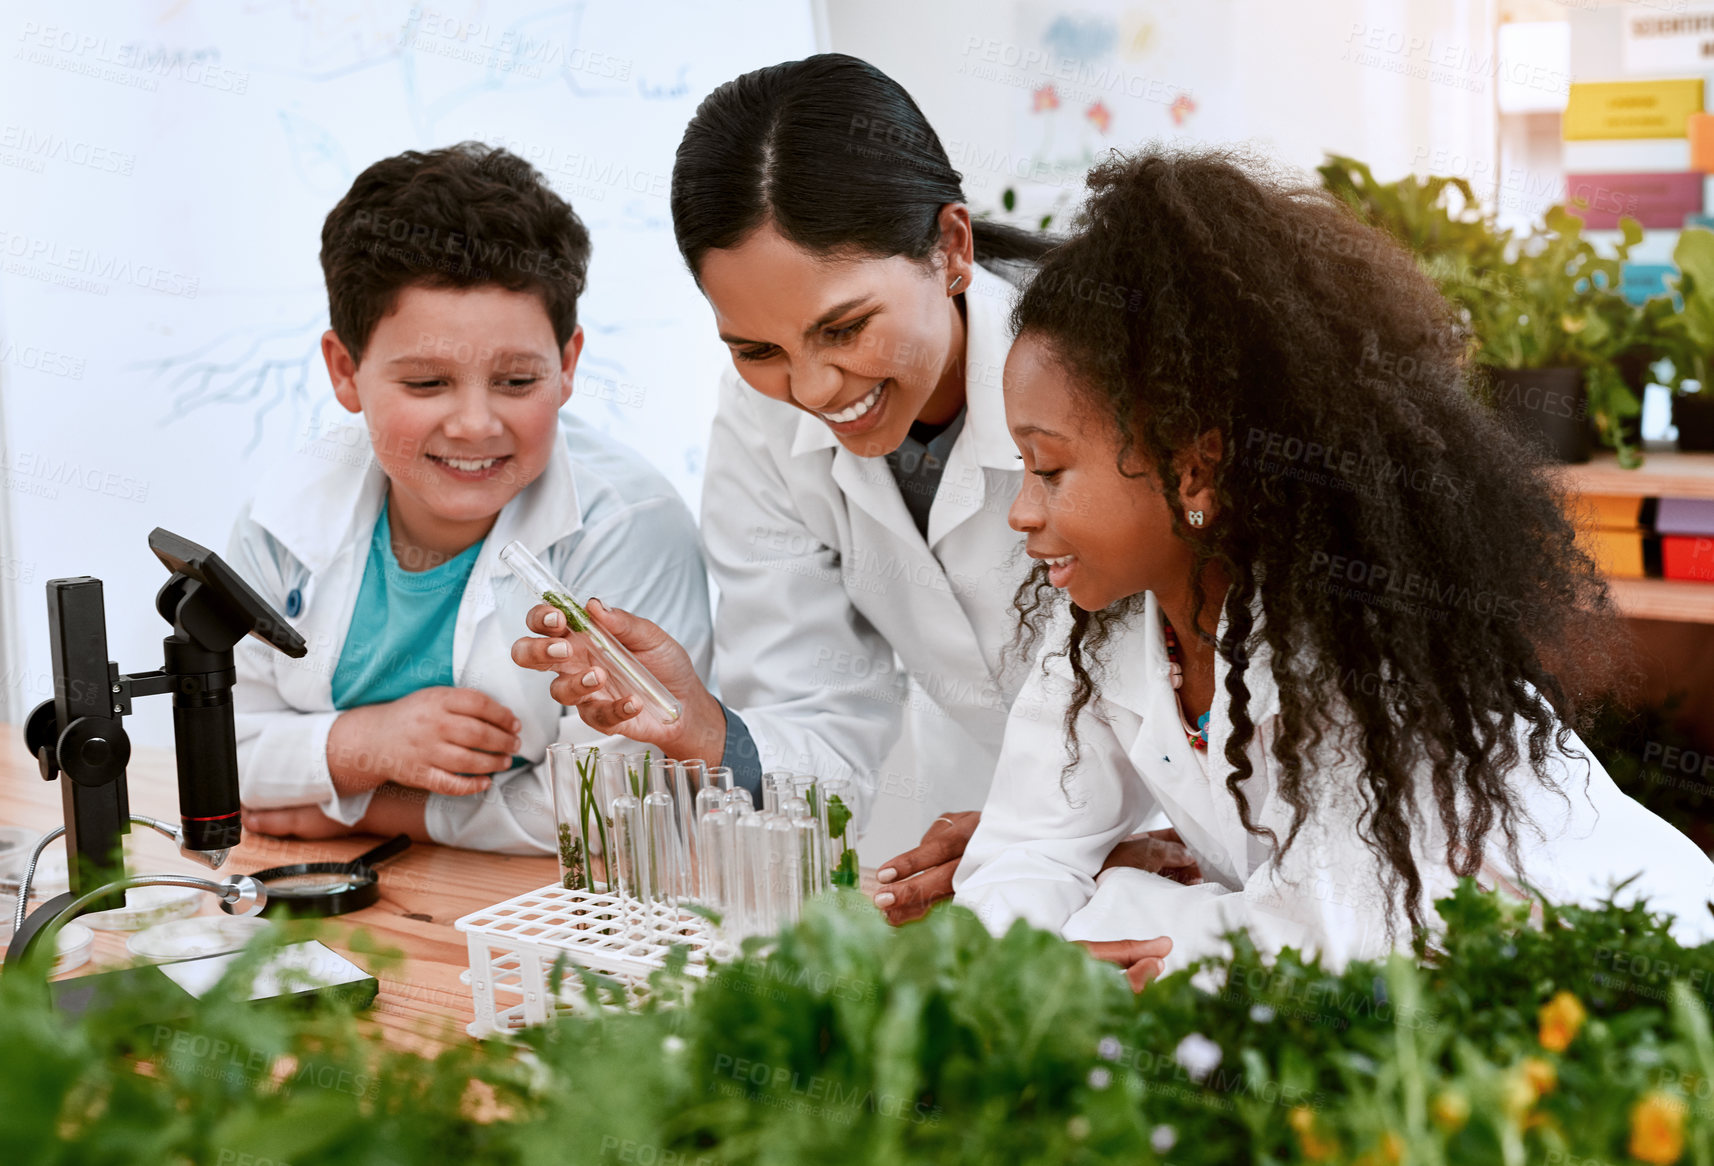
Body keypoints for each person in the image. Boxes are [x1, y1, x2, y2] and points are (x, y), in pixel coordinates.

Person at [953, 147, 1714, 989]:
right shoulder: (1107, 633)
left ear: (1194, 467)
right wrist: (1050, 938)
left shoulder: (1363, 648)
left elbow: (1318, 943)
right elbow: (1014, 860)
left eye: (1050, 468)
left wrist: (1116, 895)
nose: (1022, 510)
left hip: (1632, 988)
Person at [508, 53, 1197, 914]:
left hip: (1200, 855)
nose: (813, 390)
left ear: (950, 247)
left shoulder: (1105, 372)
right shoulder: (761, 422)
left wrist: (1104, 846)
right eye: (758, 349)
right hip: (991, 853)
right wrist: (706, 730)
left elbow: (1207, 680)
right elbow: (818, 704)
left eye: (845, 328)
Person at [228, 143, 712, 853]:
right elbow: (217, 754)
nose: (476, 424)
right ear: (345, 370)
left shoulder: (628, 526)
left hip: (551, 918)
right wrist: (363, 746)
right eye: (426, 384)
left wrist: (371, 811)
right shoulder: (285, 517)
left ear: (567, 364)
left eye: (517, 382)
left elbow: (617, 805)